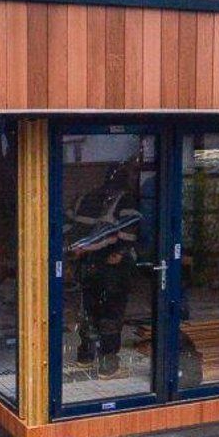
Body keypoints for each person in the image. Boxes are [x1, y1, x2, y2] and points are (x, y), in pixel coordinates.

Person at [68, 161, 142, 378]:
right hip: (112, 267)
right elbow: (130, 234)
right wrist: (119, 253)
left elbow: (68, 227)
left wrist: (76, 253)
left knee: (88, 310)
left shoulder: (85, 198)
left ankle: (85, 356)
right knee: (111, 313)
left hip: (86, 263)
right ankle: (108, 365)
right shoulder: (125, 200)